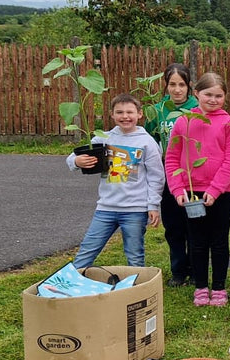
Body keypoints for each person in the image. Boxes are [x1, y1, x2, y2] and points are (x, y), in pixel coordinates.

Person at [164, 71, 230, 307]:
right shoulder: (183, 122)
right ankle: (200, 286)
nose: (213, 100)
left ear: (225, 97)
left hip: (222, 193)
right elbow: (172, 158)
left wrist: (216, 189)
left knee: (219, 240)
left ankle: (218, 287)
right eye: (208, 94)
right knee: (196, 241)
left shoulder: (229, 123)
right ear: (196, 93)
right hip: (191, 192)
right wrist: (177, 190)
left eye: (219, 95)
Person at [69, 93, 164, 270]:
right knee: (88, 249)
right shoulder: (102, 138)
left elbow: (156, 176)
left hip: (135, 210)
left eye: (130, 112)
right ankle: (70, 283)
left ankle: (136, 288)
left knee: (134, 254)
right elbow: (72, 158)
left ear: (139, 114)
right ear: (112, 115)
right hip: (105, 208)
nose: (125, 116)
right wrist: (76, 161)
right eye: (119, 112)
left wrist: (153, 206)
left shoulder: (147, 142)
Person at [145, 63, 197, 286]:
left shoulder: (197, 108)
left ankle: (197, 269)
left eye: (182, 85)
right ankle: (178, 270)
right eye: (172, 85)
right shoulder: (157, 111)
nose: (177, 90)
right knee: (174, 227)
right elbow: (148, 141)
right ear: (165, 86)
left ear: (189, 86)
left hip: (194, 178)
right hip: (168, 176)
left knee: (194, 226)